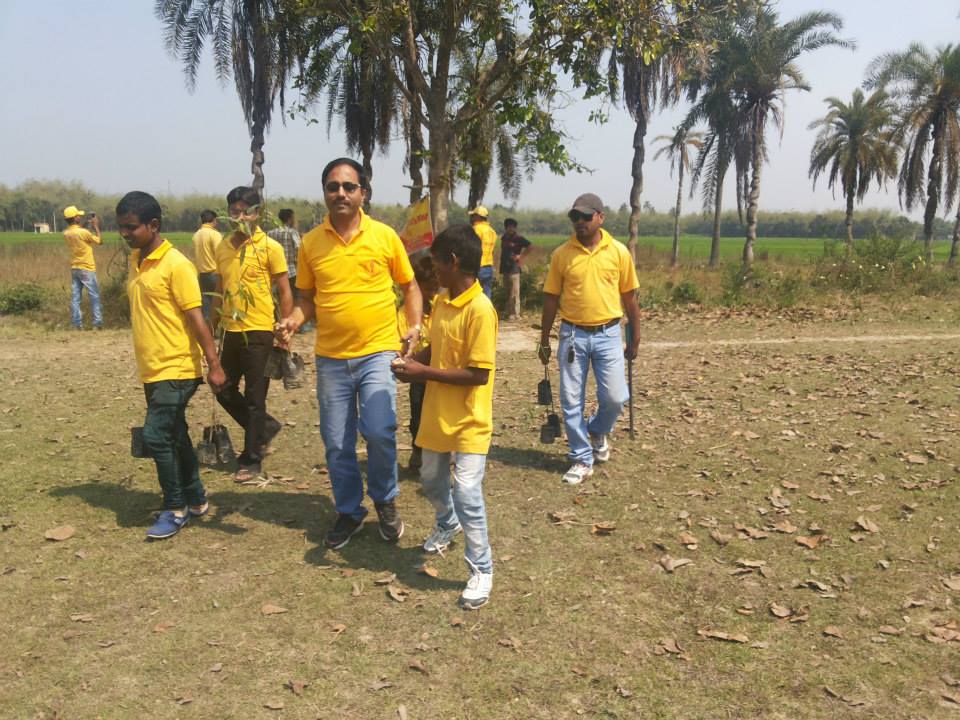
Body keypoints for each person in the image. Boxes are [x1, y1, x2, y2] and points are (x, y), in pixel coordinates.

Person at [275, 158, 422, 550]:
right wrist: (293, 320)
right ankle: (349, 511)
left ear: (363, 193)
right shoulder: (311, 243)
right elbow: (307, 299)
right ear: (325, 192)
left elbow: (410, 286)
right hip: (332, 358)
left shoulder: (384, 237)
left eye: (348, 186)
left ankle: (385, 500)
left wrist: (414, 325)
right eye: (333, 187)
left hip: (378, 351)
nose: (340, 193)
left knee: (379, 430)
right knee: (337, 442)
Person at [392, 224, 497, 610]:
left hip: (470, 419)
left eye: (436, 262)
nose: (432, 269)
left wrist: (424, 373)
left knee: (466, 491)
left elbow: (478, 374)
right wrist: (409, 362)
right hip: (437, 415)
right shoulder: (441, 301)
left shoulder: (481, 309)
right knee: (432, 481)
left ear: (453, 261)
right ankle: (446, 521)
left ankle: (481, 569)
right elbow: (436, 348)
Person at [116, 191, 226, 540]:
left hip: (177, 367)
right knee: (175, 435)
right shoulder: (137, 260)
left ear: (153, 225)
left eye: (131, 227)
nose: (125, 233)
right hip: (151, 367)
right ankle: (196, 499)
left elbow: (198, 319)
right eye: (121, 227)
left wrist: (214, 364)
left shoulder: (177, 265)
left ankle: (175, 508)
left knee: (156, 435)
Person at [538, 193, 641, 485]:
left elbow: (630, 298)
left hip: (609, 334)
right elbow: (551, 298)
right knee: (571, 400)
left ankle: (596, 430)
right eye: (575, 217)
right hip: (572, 335)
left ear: (600, 218)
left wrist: (635, 336)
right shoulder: (562, 254)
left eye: (586, 216)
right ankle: (582, 457)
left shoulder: (618, 252)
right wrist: (544, 339)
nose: (580, 222)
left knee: (615, 397)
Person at [211, 186, 293, 483]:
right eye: (234, 212)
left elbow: (284, 289)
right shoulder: (223, 246)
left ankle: (251, 459)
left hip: (259, 331)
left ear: (257, 214)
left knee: (255, 396)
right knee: (222, 388)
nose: (240, 217)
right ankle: (264, 429)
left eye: (246, 212)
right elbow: (220, 288)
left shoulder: (269, 247)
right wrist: (212, 325)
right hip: (230, 330)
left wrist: (285, 327)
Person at [397, 255, 439, 471]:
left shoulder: (441, 308)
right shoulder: (404, 314)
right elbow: (401, 346)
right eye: (427, 289)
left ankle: (442, 452)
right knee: (418, 415)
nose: (432, 294)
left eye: (435, 289)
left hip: (440, 373)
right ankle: (418, 450)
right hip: (419, 376)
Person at [62, 205, 103, 329]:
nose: (80, 217)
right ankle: (97, 323)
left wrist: (85, 224)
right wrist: (96, 226)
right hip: (87, 268)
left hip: (75, 267)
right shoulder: (83, 232)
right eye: (78, 216)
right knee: (94, 295)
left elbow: (78, 232)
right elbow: (99, 241)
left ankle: (76, 324)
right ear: (75, 218)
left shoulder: (66, 233)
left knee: (75, 298)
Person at [191, 210, 222, 324]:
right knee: (221, 304)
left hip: (202, 275)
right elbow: (221, 254)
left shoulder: (196, 235)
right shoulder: (214, 234)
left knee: (206, 307)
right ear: (214, 221)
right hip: (215, 274)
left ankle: (209, 329)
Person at [498, 218, 532, 319]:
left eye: (512, 227)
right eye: (508, 226)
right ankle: (509, 312)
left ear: (515, 228)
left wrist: (521, 256)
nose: (510, 228)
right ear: (506, 228)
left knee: (514, 292)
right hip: (505, 267)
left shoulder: (518, 238)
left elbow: (530, 246)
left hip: (514, 268)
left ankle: (515, 314)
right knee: (508, 291)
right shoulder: (504, 238)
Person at [468, 205, 497, 299]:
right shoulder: (492, 231)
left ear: (477, 216)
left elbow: (471, 248)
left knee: (473, 294)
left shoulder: (475, 229)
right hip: (488, 266)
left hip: (477, 266)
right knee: (486, 294)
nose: (471, 218)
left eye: (473, 216)